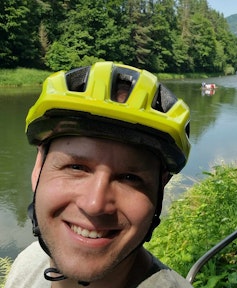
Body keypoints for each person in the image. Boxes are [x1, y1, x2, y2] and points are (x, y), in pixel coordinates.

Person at [5, 61, 193, 287]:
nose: (94, 204)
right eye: (76, 167)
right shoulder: (29, 263)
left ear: (158, 192)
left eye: (130, 178)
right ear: (38, 168)